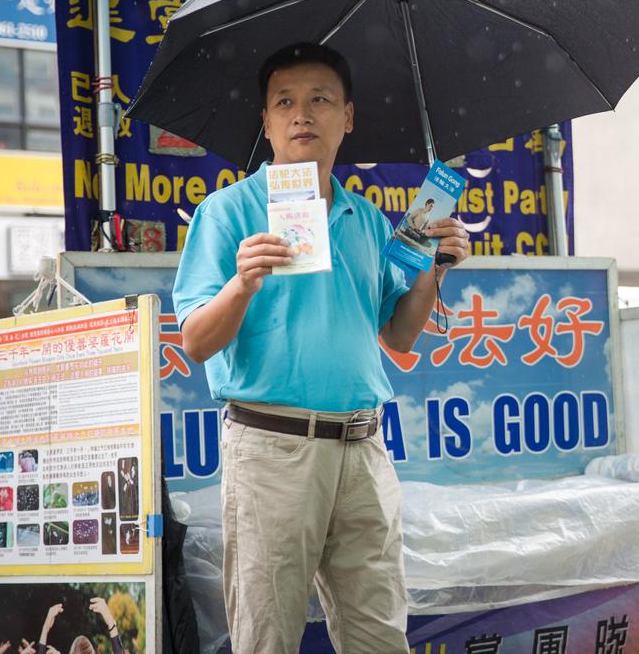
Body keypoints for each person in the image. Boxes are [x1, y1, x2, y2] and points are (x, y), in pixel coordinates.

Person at [174, 42, 469, 653]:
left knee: (380, 635)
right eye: (284, 102)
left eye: (320, 100)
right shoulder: (228, 212)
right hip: (272, 449)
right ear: (266, 122)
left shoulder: (368, 221)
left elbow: (399, 335)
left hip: (363, 450)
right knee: (268, 636)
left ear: (347, 117)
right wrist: (242, 283)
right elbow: (196, 342)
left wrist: (433, 269)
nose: (302, 114)